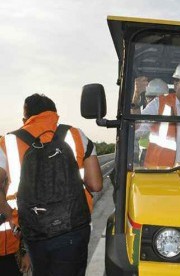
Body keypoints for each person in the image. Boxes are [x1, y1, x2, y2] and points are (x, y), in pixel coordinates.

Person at [0, 94, 103, 276]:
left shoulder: (7, 142)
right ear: (55, 115)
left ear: (25, 118)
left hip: (34, 228)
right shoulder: (75, 134)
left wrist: (10, 215)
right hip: (74, 227)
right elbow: (95, 185)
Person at [132, 78, 169, 162]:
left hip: (157, 158)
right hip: (147, 156)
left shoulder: (156, 107)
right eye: (150, 97)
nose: (154, 102)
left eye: (157, 98)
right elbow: (135, 128)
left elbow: (135, 130)